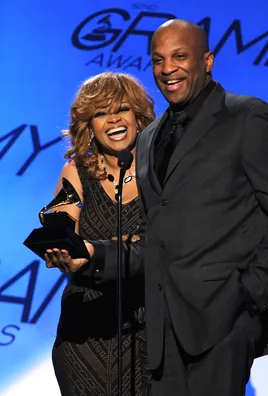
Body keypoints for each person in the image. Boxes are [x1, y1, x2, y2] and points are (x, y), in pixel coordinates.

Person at [135, 19, 268, 396]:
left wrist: (249, 291)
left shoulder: (248, 117)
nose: (168, 69)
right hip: (162, 328)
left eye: (180, 57)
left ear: (208, 60)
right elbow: (159, 225)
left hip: (224, 322)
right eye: (158, 60)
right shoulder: (149, 136)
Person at [44, 71, 155, 396]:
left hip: (150, 327)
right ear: (88, 126)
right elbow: (63, 230)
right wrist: (62, 249)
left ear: (139, 116)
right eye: (100, 113)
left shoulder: (164, 171)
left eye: (121, 109)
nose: (113, 120)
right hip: (86, 333)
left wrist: (99, 250)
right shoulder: (76, 172)